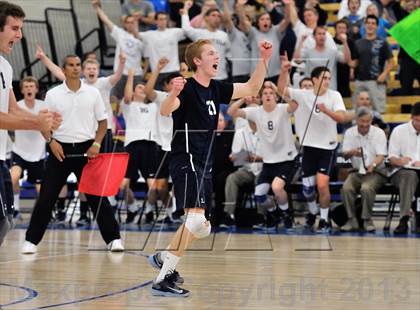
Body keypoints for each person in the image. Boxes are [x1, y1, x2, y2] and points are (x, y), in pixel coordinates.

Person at [148, 39, 273, 297]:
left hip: (203, 163)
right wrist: (172, 93)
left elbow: (252, 86)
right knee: (194, 222)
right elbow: (165, 110)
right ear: (197, 61)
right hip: (186, 158)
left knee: (202, 227)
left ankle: (163, 257)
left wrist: (264, 59)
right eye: (211, 53)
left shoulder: (216, 88)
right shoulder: (188, 88)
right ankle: (163, 278)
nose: (217, 56)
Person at [21, 55, 122, 254]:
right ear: (64, 69)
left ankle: (114, 239)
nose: (75, 68)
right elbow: (43, 123)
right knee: (46, 197)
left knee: (97, 197)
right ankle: (30, 241)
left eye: (78, 65)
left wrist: (96, 143)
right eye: (71, 65)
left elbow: (103, 122)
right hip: (59, 149)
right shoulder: (52, 94)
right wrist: (51, 141)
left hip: (87, 150)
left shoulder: (92, 93)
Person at [0, 1, 59, 246]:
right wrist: (38, 124)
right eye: (14, 28)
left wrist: (42, 120)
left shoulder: (5, 65)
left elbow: (13, 110)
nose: (20, 35)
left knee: (6, 220)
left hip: (1, 158)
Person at [278, 53, 353, 232]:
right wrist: (284, 70)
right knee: (308, 190)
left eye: (329, 78)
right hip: (308, 148)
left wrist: (327, 111)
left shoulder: (334, 96)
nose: (327, 81)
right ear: (315, 79)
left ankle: (325, 220)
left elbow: (342, 118)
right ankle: (313, 212)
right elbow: (282, 89)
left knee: (322, 185)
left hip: (327, 148)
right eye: (324, 78)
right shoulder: (303, 95)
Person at [228, 82, 298, 228]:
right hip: (269, 163)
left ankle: (287, 214)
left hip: (287, 160)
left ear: (276, 97)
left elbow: (295, 104)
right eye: (265, 93)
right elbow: (231, 112)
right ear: (260, 98)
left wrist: (278, 89)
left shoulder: (282, 109)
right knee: (259, 195)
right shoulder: (256, 112)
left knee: (277, 188)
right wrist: (243, 100)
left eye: (271, 93)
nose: (268, 95)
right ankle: (274, 212)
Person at [144, 58, 183, 223]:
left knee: (180, 184)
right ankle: (169, 212)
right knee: (160, 187)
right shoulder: (162, 97)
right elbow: (147, 91)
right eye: (173, 82)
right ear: (166, 86)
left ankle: (179, 212)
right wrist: (157, 69)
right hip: (162, 147)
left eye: (179, 82)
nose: (176, 85)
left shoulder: (186, 98)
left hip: (180, 148)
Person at [119, 69, 160, 225]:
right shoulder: (129, 106)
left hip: (150, 145)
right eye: (139, 88)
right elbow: (127, 96)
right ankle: (132, 207)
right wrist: (130, 76)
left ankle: (149, 209)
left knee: (153, 185)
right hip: (132, 146)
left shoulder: (154, 107)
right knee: (123, 185)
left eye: (144, 88)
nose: (142, 90)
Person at [341, 107, 387, 232]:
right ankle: (351, 219)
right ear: (356, 120)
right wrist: (352, 152)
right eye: (362, 121)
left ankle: (367, 220)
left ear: (371, 120)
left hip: (375, 172)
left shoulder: (379, 133)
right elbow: (344, 154)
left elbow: (381, 155)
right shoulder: (349, 133)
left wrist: (373, 165)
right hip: (356, 171)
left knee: (366, 188)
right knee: (346, 188)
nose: (365, 124)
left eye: (368, 121)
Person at [92, 0, 145, 100]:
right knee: (115, 98)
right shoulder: (120, 33)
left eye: (132, 22)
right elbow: (106, 21)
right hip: (121, 73)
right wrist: (97, 8)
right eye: (127, 22)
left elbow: (147, 57)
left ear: (136, 23)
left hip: (136, 73)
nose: (130, 24)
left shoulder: (143, 37)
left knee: (137, 100)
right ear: (125, 24)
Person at [10, 77, 46, 219]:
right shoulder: (17, 106)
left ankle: (40, 214)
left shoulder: (44, 106)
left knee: (41, 189)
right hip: (19, 151)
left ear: (36, 89)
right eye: (26, 86)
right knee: (14, 178)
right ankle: (16, 209)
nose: (29, 89)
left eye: (32, 86)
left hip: (38, 154)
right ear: (22, 90)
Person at [388, 102, 420, 235]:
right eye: (418, 120)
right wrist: (400, 161)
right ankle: (404, 218)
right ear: (412, 117)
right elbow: (391, 158)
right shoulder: (399, 131)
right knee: (410, 176)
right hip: (401, 172)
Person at [352, 14, 393, 113]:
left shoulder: (383, 42)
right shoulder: (358, 43)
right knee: (357, 112)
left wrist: (384, 74)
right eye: (368, 23)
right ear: (364, 25)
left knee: (379, 112)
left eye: (373, 23)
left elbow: (391, 62)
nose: (370, 25)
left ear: (377, 26)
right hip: (360, 82)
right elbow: (355, 62)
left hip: (376, 82)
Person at [182, 2, 231, 81]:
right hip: (204, 78)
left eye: (218, 16)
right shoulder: (199, 33)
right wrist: (185, 9)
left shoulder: (224, 35)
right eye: (213, 15)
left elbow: (229, 53)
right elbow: (186, 29)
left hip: (222, 76)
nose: (217, 18)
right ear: (206, 18)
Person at [294, 26, 351, 90]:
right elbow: (297, 60)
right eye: (319, 34)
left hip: (329, 89)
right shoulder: (308, 52)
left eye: (324, 34)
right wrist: (301, 41)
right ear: (314, 37)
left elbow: (346, 60)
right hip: (312, 89)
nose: (322, 36)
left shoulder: (333, 52)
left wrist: (345, 42)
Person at [140, 11, 186, 90]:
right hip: (157, 73)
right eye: (160, 19)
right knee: (158, 100)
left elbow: (187, 30)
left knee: (178, 98)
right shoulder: (149, 35)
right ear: (156, 21)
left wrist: (185, 14)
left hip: (174, 71)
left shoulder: (174, 32)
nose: (163, 21)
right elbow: (133, 35)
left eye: (165, 19)